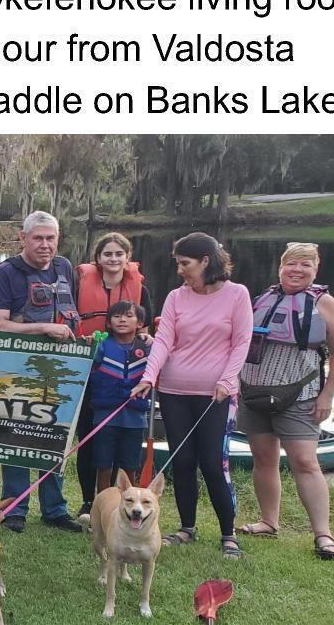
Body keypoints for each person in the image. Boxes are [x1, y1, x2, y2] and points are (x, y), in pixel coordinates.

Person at [132, 232, 253, 559]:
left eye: (185, 264)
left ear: (206, 261)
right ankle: (187, 528)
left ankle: (228, 534)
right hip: (173, 391)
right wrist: (149, 377)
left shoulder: (237, 295)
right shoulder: (176, 297)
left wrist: (228, 380)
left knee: (213, 463)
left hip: (217, 393)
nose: (180, 270)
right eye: (178, 264)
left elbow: (242, 342)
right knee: (181, 461)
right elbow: (164, 341)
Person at [236, 242, 334, 560]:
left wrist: (327, 395)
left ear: (315, 271)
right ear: (281, 267)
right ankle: (268, 522)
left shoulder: (324, 303)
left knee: (304, 462)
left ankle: (323, 534)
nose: (297, 270)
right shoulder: (264, 298)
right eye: (292, 264)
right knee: (263, 458)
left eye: (306, 265)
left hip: (298, 393)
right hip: (254, 390)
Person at [0, 211, 84, 533]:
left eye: (50, 238)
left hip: (59, 369)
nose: (45, 245)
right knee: (16, 437)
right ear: (23, 238)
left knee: (54, 435)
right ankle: (15, 508)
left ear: (58, 239)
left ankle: (54, 509)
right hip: (18, 368)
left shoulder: (64, 267)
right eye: (38, 238)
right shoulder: (6, 274)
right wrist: (43, 327)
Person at [71, 231, 155, 520]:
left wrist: (147, 340)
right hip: (92, 372)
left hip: (128, 381)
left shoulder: (139, 289)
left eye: (119, 254)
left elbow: (147, 327)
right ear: (98, 258)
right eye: (107, 254)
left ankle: (126, 503)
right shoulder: (79, 281)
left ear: (127, 258)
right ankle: (88, 502)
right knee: (89, 441)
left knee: (127, 454)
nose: (113, 259)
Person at [85, 301, 152, 497]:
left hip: (135, 420)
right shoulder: (101, 347)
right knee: (103, 466)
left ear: (140, 323)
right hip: (105, 418)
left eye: (129, 316)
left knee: (129, 467)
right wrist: (89, 344)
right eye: (117, 316)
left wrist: (154, 341)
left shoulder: (147, 347)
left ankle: (127, 505)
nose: (122, 320)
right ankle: (102, 506)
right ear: (108, 323)